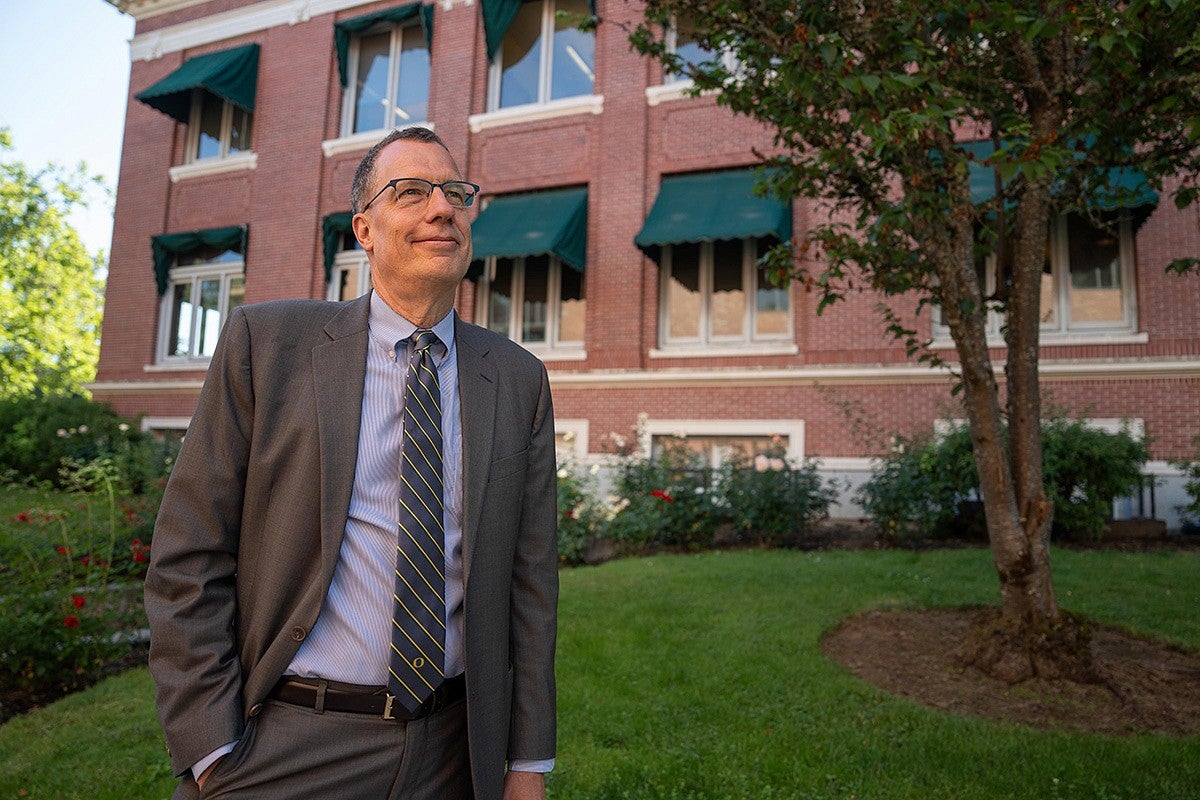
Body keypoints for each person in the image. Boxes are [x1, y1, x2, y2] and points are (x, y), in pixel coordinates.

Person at [144, 126, 558, 800]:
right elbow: (188, 555)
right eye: (412, 192)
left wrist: (528, 764)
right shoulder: (269, 345)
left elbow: (531, 590)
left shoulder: (516, 378)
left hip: (456, 751)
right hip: (291, 742)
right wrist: (212, 749)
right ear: (364, 230)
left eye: (456, 192)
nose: (442, 208)